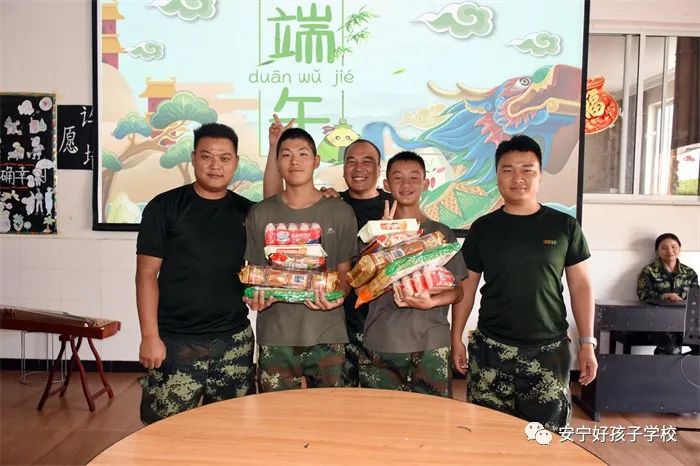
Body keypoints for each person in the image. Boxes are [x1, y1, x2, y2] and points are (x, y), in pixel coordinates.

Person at [451, 134, 598, 431]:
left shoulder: (564, 226)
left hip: (548, 351)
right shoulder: (483, 228)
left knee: (546, 440)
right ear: (497, 176)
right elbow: (467, 286)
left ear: (540, 175)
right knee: (487, 435)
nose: (517, 178)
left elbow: (581, 286)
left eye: (527, 170)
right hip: (491, 350)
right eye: (508, 170)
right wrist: (456, 337)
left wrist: (587, 343)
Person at [136, 123, 255, 425]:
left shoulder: (248, 212)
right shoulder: (164, 207)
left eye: (225, 158)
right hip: (176, 343)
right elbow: (146, 275)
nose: (215, 165)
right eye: (206, 156)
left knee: (230, 431)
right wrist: (150, 336)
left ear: (236, 162)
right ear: (193, 158)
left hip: (234, 342)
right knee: (164, 433)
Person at [263, 115, 392, 387]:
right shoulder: (332, 203)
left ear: (379, 168)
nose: (358, 168)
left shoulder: (393, 209)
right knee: (336, 403)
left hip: (382, 325)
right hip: (338, 322)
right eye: (351, 161)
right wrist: (274, 146)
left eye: (367, 161)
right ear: (342, 169)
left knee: (377, 404)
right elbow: (274, 204)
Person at [245, 127, 358, 391]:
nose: (294, 161)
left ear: (316, 161)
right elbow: (256, 273)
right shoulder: (260, 213)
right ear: (277, 162)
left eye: (303, 154)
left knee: (330, 411)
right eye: (286, 154)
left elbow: (345, 273)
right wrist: (255, 296)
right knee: (277, 413)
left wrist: (337, 296)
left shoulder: (340, 211)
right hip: (276, 336)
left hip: (327, 333)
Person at [360, 151, 467, 398]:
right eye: (398, 177)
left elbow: (458, 291)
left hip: (431, 345)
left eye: (414, 178)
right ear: (386, 184)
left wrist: (432, 301)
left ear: (426, 183)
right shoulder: (371, 233)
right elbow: (359, 288)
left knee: (434, 417)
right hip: (382, 342)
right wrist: (382, 240)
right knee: (380, 417)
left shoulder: (441, 233)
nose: (406, 184)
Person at [637, 233, 699, 355]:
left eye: (673, 247)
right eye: (664, 247)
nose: (669, 251)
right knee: (671, 349)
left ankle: (677, 363)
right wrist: (665, 296)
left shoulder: (689, 273)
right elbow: (643, 295)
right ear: (657, 251)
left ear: (679, 249)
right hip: (656, 321)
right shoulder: (649, 271)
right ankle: (666, 360)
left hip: (684, 322)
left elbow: (695, 299)